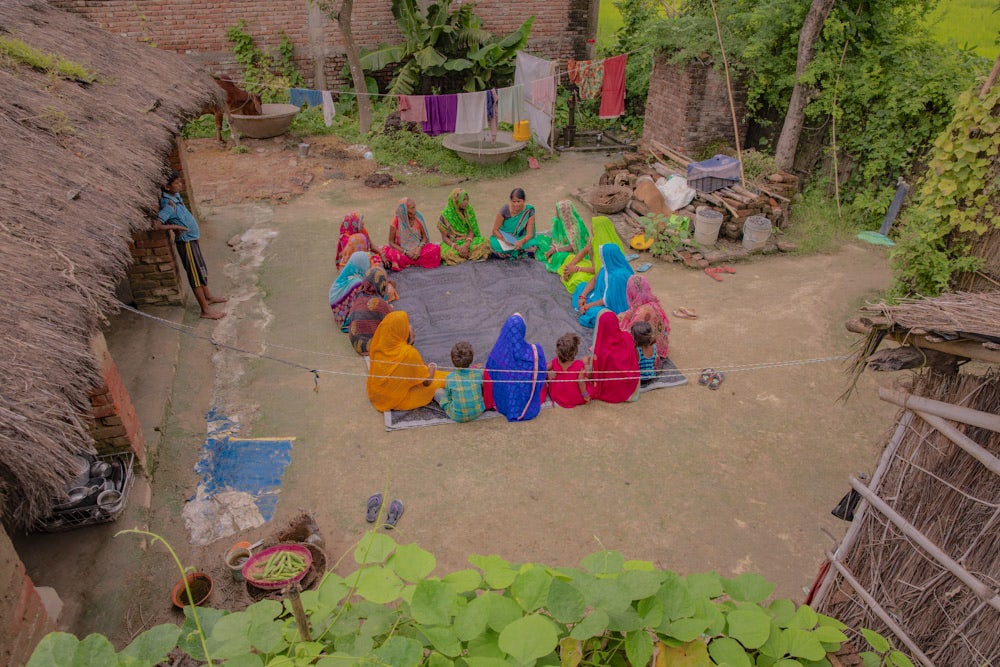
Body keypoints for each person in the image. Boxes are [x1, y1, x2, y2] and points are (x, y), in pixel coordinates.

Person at [157, 170, 227, 319]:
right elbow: (156, 225)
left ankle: (208, 296)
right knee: (194, 275)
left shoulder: (174, 196)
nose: (180, 185)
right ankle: (205, 310)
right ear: (167, 187)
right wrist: (175, 228)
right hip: (186, 242)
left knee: (201, 268)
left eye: (180, 182)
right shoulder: (168, 204)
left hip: (192, 238)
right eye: (176, 183)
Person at [366, 311, 447, 412]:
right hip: (395, 400)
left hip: (376, 394)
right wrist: (432, 367)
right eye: (406, 324)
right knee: (437, 382)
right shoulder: (408, 353)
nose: (409, 326)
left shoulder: (379, 345)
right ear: (399, 329)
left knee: (424, 372)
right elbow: (427, 382)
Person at [484, 313, 546, 422]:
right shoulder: (535, 352)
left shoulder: (497, 354)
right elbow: (541, 377)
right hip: (529, 406)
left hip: (504, 405)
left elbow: (490, 372)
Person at [533, 200, 592, 293]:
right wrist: (553, 245)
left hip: (574, 252)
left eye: (558, 211)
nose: (556, 213)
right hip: (561, 247)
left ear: (565, 212)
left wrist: (556, 250)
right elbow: (555, 237)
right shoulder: (559, 221)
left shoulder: (576, 228)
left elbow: (574, 247)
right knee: (543, 241)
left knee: (558, 256)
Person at [572, 243, 634, 328]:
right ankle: (585, 305)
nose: (601, 257)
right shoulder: (607, 266)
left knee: (594, 313)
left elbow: (608, 299)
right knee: (581, 286)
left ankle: (587, 308)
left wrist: (588, 306)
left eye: (602, 255)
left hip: (612, 305)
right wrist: (582, 296)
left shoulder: (618, 276)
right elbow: (594, 280)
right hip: (599, 295)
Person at [559, 215, 625, 294]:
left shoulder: (611, 247)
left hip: (602, 275)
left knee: (579, 279)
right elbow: (583, 252)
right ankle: (568, 273)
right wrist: (569, 268)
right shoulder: (595, 240)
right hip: (593, 267)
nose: (591, 229)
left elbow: (599, 270)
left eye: (593, 227)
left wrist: (576, 269)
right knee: (570, 258)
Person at [588, 309, 640, 403]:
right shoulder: (627, 337)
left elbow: (596, 371)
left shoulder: (601, 350)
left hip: (613, 389)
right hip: (631, 385)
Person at [618, 275, 671, 360]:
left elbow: (631, 334)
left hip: (649, 349)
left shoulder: (641, 313)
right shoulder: (653, 304)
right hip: (660, 344)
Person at [381, 197, 441, 271]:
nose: (415, 210)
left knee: (435, 249)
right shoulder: (396, 221)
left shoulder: (418, 217)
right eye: (412, 208)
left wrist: (418, 249)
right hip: (402, 251)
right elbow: (391, 242)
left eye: (415, 207)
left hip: (418, 250)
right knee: (391, 254)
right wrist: (406, 252)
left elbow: (425, 237)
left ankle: (408, 261)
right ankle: (414, 261)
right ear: (405, 211)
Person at [433, 341, 486, 423]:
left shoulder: (450, 378)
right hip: (478, 411)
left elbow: (449, 397)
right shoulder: (478, 374)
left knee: (437, 392)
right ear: (471, 359)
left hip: (457, 416)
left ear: (452, 360)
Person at [347, 266, 393, 355]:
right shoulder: (379, 303)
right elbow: (394, 320)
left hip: (356, 343)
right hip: (370, 347)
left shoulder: (359, 295)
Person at [437, 189, 491, 265]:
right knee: (448, 254)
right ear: (455, 201)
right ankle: (467, 255)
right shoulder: (445, 215)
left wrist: (466, 245)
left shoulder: (469, 210)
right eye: (463, 200)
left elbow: (471, 230)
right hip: (453, 243)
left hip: (467, 240)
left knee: (484, 242)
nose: (466, 202)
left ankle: (465, 254)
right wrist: (458, 248)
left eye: (467, 199)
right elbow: (444, 238)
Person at [541, 332, 590, 408]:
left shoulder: (555, 362)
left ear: (557, 351)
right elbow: (582, 381)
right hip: (574, 399)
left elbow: (542, 369)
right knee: (590, 384)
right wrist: (586, 363)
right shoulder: (579, 365)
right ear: (575, 352)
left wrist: (547, 373)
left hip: (556, 395)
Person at [489, 188, 537, 258]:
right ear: (510, 201)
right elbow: (495, 230)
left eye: (518, 201)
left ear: (524, 201)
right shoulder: (505, 210)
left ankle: (510, 252)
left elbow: (530, 234)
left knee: (534, 242)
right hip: (505, 237)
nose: (516, 204)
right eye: (513, 201)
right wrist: (505, 240)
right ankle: (518, 251)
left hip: (520, 238)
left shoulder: (529, 211)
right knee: (493, 243)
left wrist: (521, 241)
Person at [329, 251, 371, 331]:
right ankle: (347, 320)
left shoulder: (347, 274)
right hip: (343, 316)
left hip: (337, 311)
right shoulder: (357, 282)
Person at [631, 321, 661, 386]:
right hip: (651, 376)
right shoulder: (654, 346)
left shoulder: (637, 350)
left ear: (636, 338)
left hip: (640, 379)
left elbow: (633, 364)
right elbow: (654, 362)